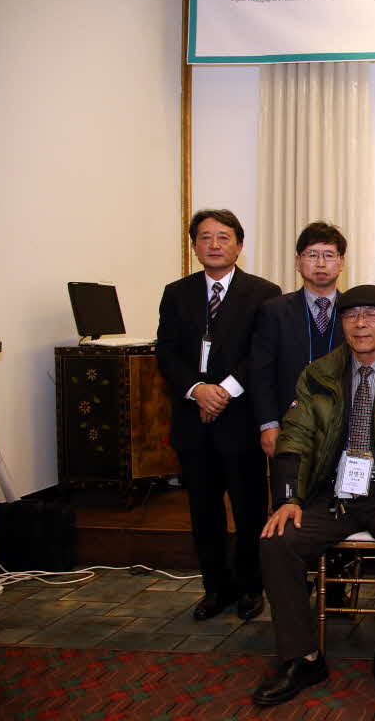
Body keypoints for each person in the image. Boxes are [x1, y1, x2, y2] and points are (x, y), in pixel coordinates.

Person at [253, 285, 375, 707]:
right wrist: (288, 498)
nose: (361, 324)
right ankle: (302, 657)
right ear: (341, 324)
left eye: (372, 315)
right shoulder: (317, 374)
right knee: (276, 540)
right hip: (332, 494)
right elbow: (295, 439)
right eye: (352, 316)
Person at [156, 209, 280, 622]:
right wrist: (198, 390)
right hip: (193, 420)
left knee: (249, 510)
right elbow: (166, 351)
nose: (214, 245)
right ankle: (215, 588)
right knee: (203, 511)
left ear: (239, 245)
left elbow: (261, 352)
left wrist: (223, 391)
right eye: (205, 237)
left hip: (240, 418)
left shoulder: (263, 293)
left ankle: (250, 587)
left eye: (223, 237)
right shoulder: (177, 293)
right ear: (194, 246)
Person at [251, 222, 347, 458]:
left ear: (341, 262)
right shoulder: (274, 311)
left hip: (344, 427)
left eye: (329, 255)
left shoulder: (355, 312)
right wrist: (268, 425)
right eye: (312, 255)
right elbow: (261, 373)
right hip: (289, 425)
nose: (321, 263)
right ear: (297, 262)